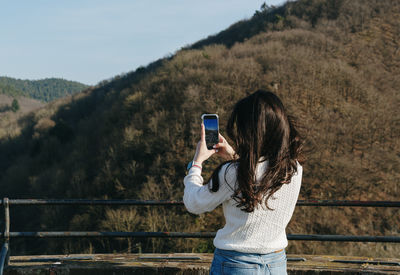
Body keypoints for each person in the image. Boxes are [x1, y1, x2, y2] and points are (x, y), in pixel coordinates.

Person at [183, 89, 303, 275]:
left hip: (235, 264)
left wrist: (196, 164)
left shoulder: (230, 173)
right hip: (276, 263)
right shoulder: (293, 169)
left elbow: (194, 203)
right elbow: (260, 175)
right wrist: (234, 156)